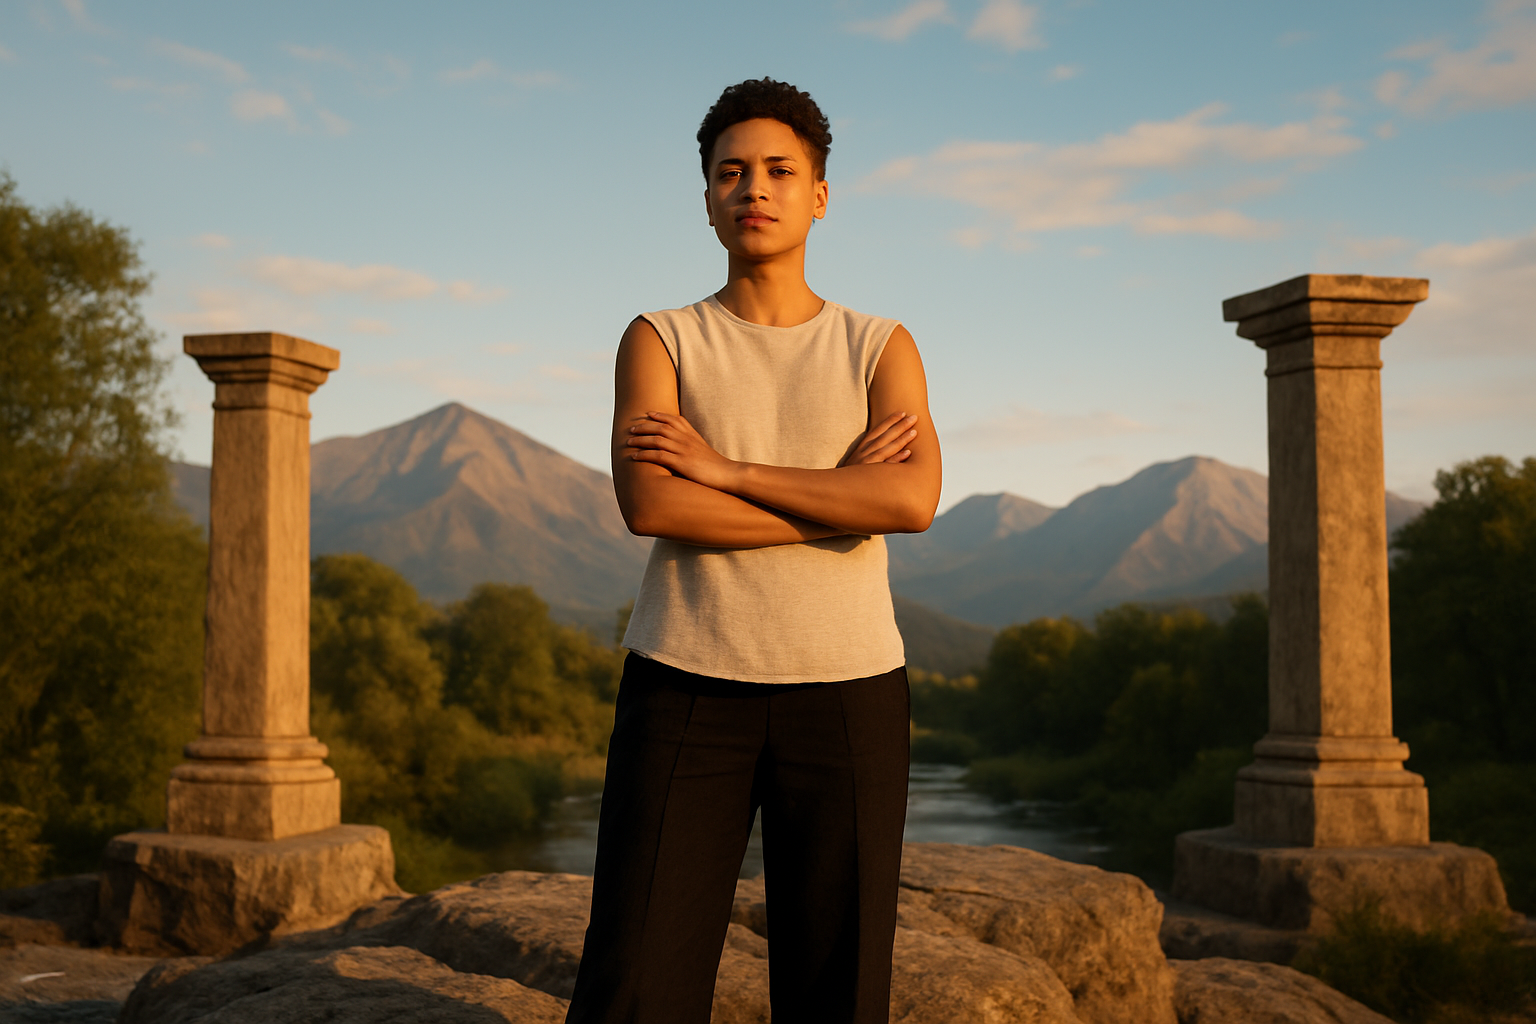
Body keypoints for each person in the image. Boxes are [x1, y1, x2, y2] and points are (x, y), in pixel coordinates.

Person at [565, 77, 941, 1024]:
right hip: (686, 683)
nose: (754, 189)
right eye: (731, 172)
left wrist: (725, 471)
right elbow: (652, 502)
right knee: (637, 980)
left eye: (780, 170)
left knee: (838, 985)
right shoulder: (660, 338)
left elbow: (910, 497)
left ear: (820, 194)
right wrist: (837, 506)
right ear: (706, 199)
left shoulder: (880, 344)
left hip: (851, 690)